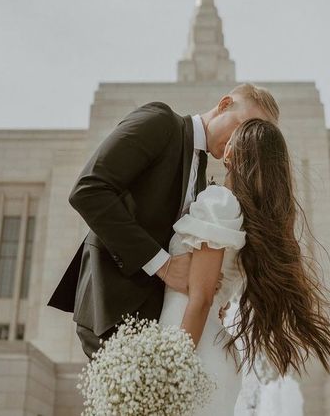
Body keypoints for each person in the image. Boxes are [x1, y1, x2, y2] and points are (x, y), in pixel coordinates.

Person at [46, 83, 279, 359]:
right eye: (242, 127)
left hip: (151, 320)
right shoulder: (160, 122)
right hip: (112, 306)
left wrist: (206, 288)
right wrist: (163, 265)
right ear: (225, 104)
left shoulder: (201, 175)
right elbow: (88, 190)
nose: (240, 141)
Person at [158, 118, 330, 415]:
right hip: (203, 348)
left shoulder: (220, 202)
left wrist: (170, 373)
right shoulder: (246, 217)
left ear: (235, 153)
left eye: (233, 138)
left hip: (191, 352)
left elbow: (201, 299)